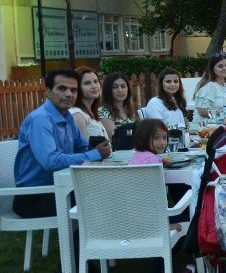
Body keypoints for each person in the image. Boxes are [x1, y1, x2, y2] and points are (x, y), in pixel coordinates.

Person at [13, 69, 111, 219]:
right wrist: (95, 153)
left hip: (60, 188)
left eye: (73, 90)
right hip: (33, 196)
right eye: (62, 88)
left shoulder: (66, 116)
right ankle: (82, 242)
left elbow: (81, 146)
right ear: (47, 92)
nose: (69, 94)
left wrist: (98, 147)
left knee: (109, 191)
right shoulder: (40, 120)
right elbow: (51, 162)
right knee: (101, 201)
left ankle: (94, 241)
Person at [128, 118, 198, 273]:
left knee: (179, 230)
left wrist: (160, 161)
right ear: (145, 139)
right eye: (157, 138)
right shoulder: (153, 163)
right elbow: (156, 195)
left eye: (164, 137)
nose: (162, 142)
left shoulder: (136, 156)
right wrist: (164, 224)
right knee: (192, 220)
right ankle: (191, 270)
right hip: (153, 219)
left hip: (133, 218)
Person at [69, 66, 109, 143]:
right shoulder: (77, 114)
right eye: (87, 83)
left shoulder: (91, 113)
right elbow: (83, 149)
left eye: (96, 81)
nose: (94, 86)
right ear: (77, 87)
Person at [144, 68, 188, 134]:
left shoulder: (176, 101)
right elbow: (160, 128)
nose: (173, 84)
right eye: (168, 81)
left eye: (176, 81)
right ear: (161, 84)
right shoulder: (154, 103)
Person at [193, 53, 226, 122]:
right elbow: (202, 110)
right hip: (206, 128)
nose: (224, 68)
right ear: (212, 69)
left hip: (221, 125)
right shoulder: (209, 86)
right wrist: (218, 115)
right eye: (220, 66)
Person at [98, 72, 137, 137]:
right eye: (115, 87)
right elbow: (114, 137)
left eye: (123, 86)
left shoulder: (127, 109)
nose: (120, 90)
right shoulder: (103, 111)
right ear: (108, 90)